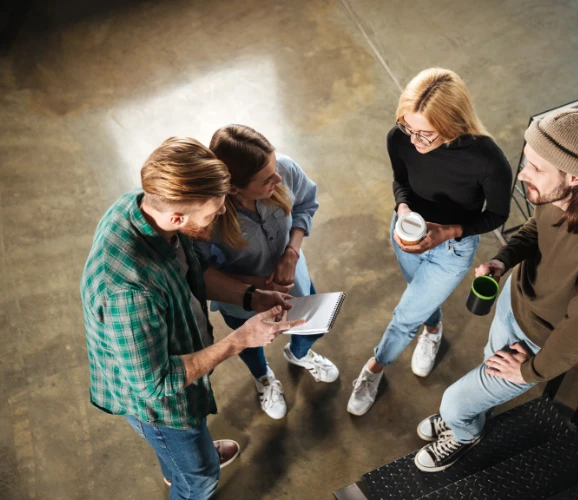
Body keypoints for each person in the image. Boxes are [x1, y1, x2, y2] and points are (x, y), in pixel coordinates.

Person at [412, 108, 578, 472]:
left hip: (538, 340)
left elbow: (575, 337)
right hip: (517, 299)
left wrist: (528, 372)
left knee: (454, 402)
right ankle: (470, 417)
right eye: (527, 160)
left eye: (536, 168)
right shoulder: (567, 194)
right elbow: (536, 229)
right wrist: (505, 260)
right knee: (486, 366)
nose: (522, 174)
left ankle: (463, 433)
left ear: (574, 176)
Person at [80, 137, 303, 499]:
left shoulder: (142, 206)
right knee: (199, 481)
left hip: (167, 372)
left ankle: (183, 463)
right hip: (159, 405)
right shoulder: (129, 292)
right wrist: (239, 340)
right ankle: (193, 471)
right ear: (179, 217)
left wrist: (250, 296)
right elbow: (155, 384)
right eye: (214, 212)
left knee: (187, 452)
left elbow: (191, 271)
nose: (219, 218)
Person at [347, 68, 513, 416]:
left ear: (454, 123)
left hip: (452, 248)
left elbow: (497, 216)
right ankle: (434, 328)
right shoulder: (399, 138)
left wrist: (448, 232)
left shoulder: (488, 160)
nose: (415, 142)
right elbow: (400, 182)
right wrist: (403, 208)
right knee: (420, 297)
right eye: (409, 128)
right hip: (407, 232)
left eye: (426, 134)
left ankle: (374, 368)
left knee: (407, 314)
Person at [196, 125, 339, 420]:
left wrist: (292, 252)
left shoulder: (283, 170)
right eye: (266, 179)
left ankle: (299, 354)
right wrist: (256, 286)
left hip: (294, 282)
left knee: (311, 326)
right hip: (242, 301)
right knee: (251, 342)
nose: (278, 177)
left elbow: (305, 203)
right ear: (234, 188)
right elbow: (201, 271)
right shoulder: (207, 219)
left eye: (274, 167)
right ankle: (263, 378)